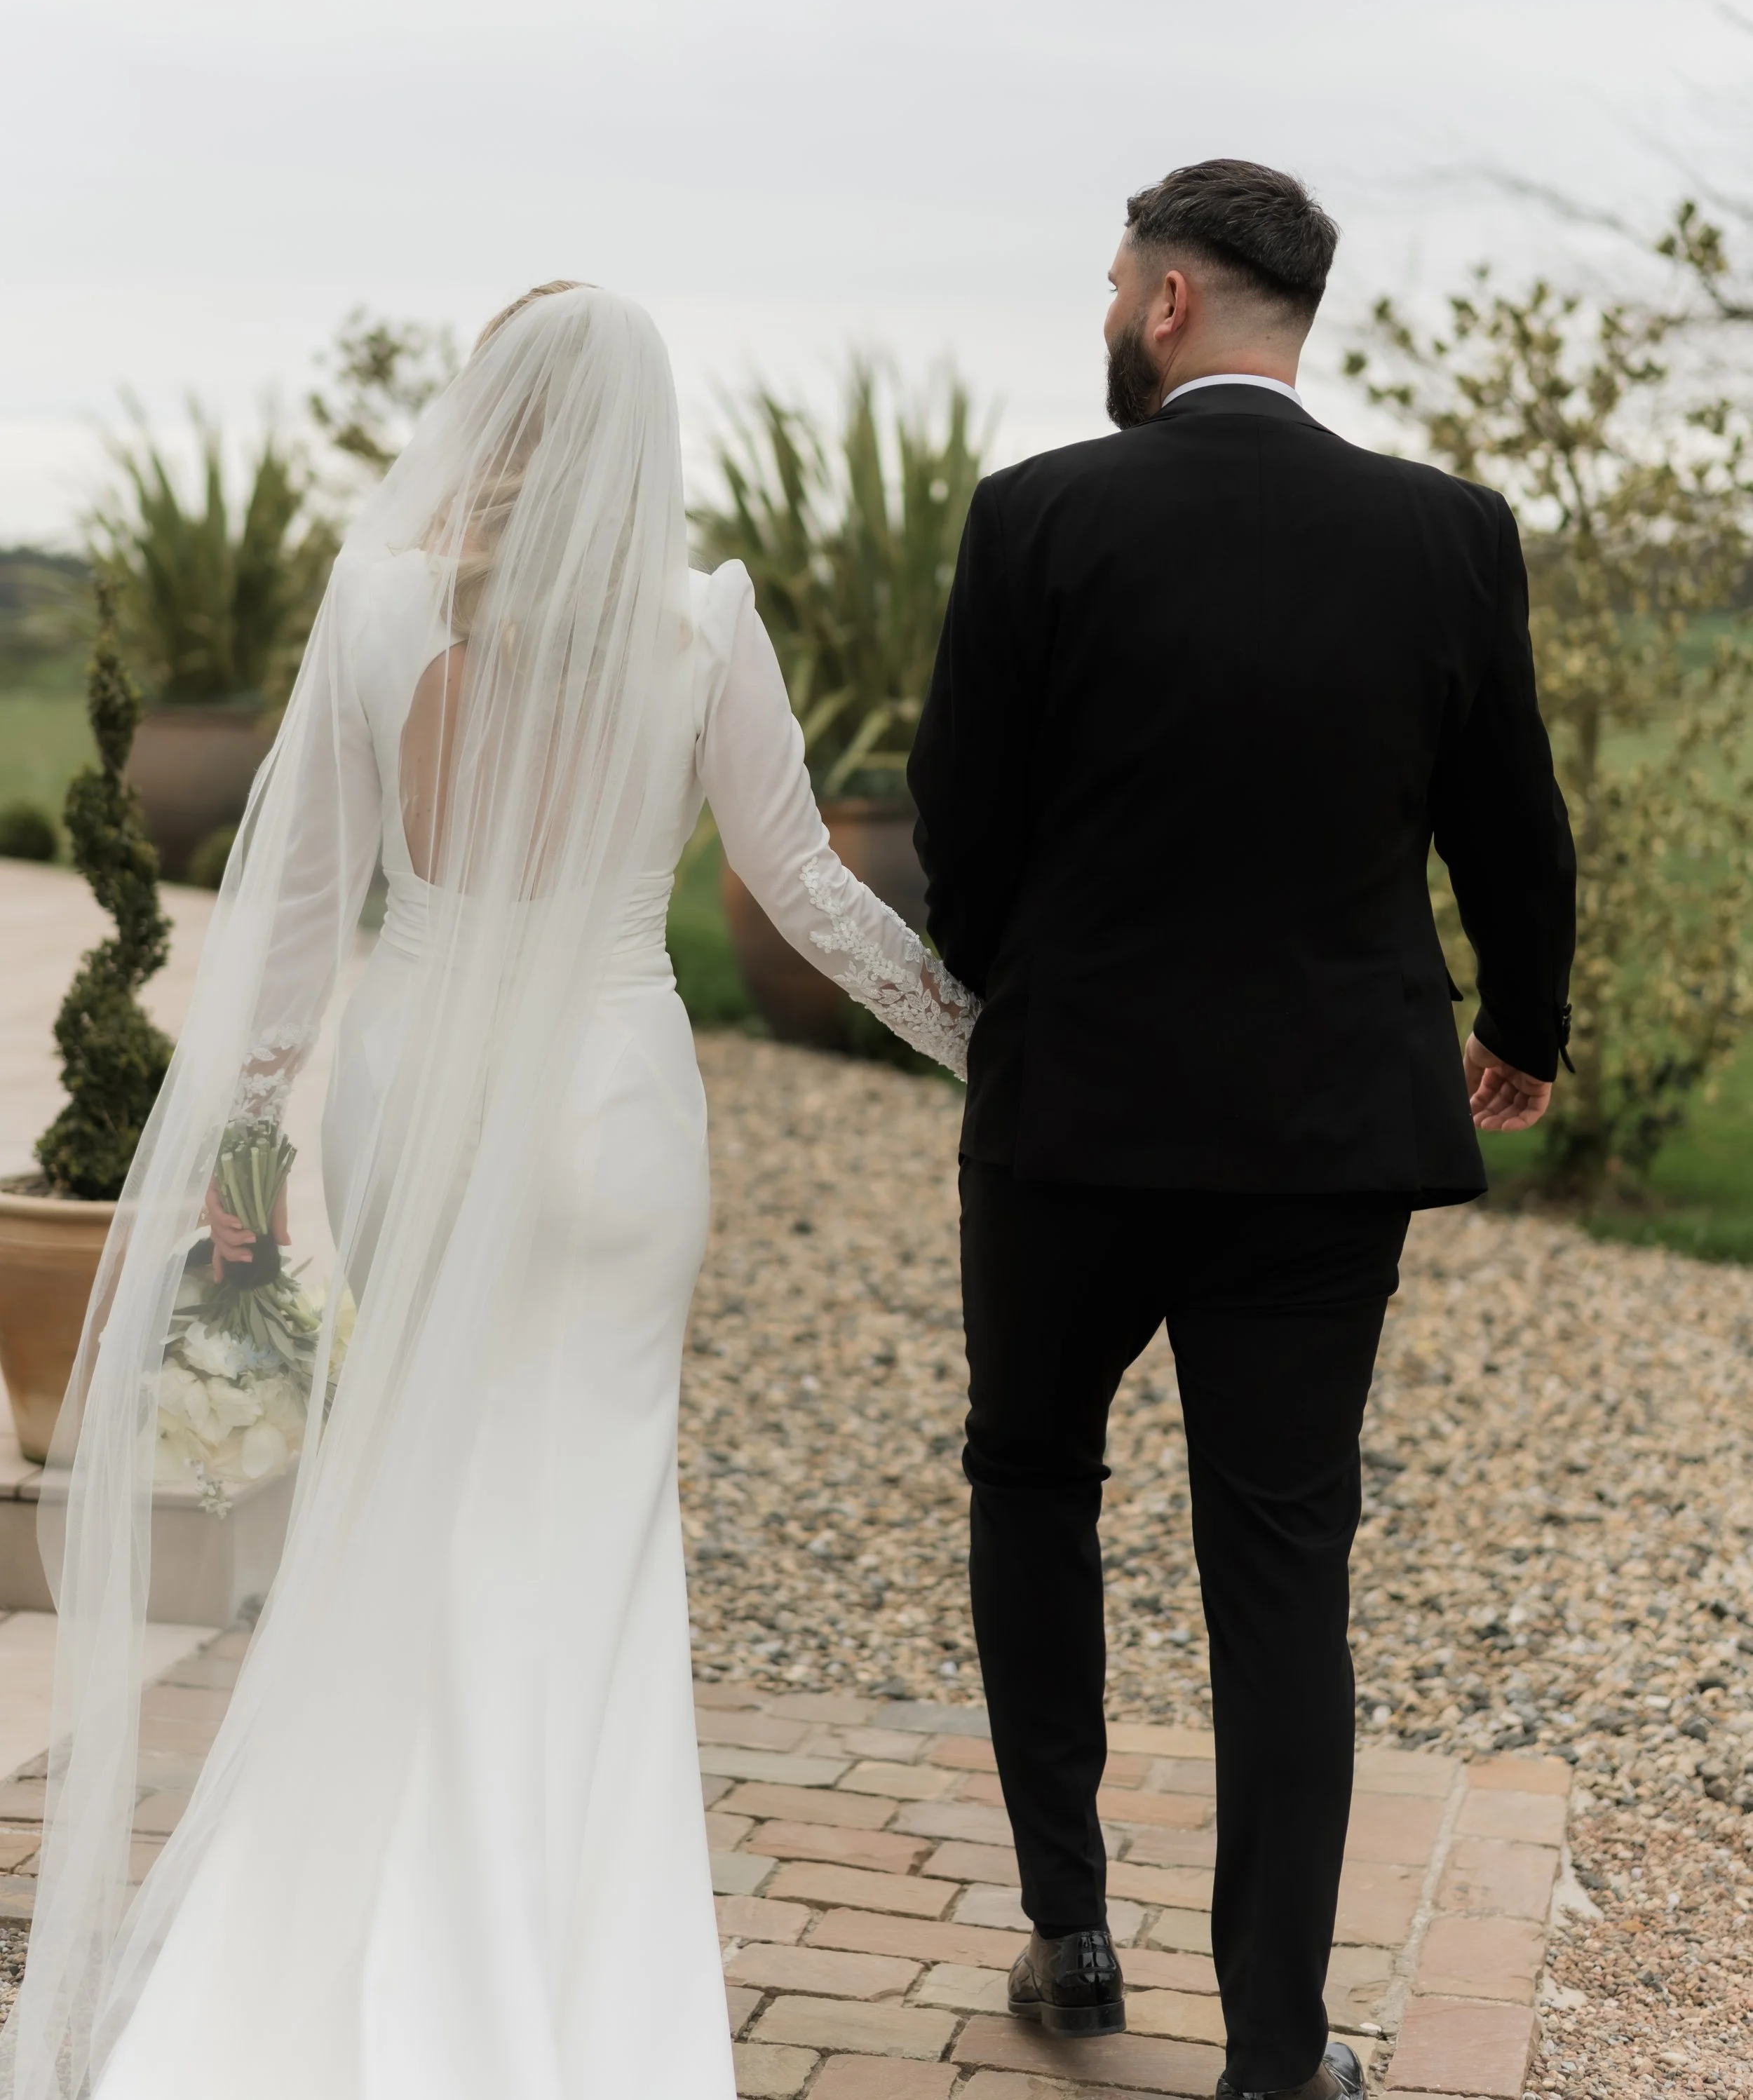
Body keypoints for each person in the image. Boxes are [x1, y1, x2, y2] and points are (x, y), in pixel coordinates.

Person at [1, 283, 976, 2100]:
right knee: (594, 1542)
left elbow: (290, 947)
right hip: (613, 1121)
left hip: (416, 1095)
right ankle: (581, 1996)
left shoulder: (377, 605)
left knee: (414, 1504)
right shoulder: (699, 631)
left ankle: (383, 1963)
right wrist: (985, 1037)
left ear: (482, 417)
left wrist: (232, 1200)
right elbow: (813, 899)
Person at [907, 159, 1576, 2100]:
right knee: (1280, 1563)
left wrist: (1021, 988)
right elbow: (1510, 826)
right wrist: (1521, 1024)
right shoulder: (1444, 533)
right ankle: (1275, 2058)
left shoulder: (1034, 515)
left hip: (1071, 1121)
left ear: (1174, 305)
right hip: (1319, 1135)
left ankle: (1069, 1921)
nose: (1108, 312)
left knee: (1029, 1474)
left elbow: (962, 824)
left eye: (1118, 284)